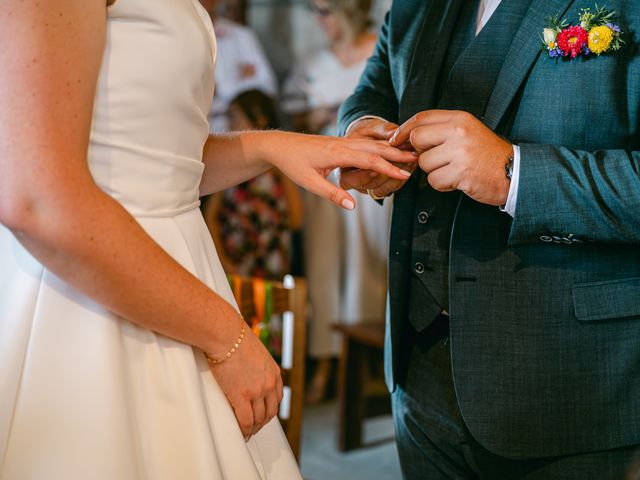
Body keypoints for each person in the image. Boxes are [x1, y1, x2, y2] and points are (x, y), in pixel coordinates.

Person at [0, 1, 414, 478]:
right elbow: (37, 198)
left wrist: (268, 146)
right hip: (89, 295)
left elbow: (149, 160)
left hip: (178, 266)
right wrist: (229, 337)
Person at [339, 0, 640, 478]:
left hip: (573, 388)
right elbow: (373, 89)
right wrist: (360, 130)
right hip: (419, 374)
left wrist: (512, 174)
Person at [283, 0, 393, 403]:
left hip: (368, 175)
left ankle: (368, 361)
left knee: (368, 262)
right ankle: (324, 360)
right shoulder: (313, 62)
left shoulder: (380, 50)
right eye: (314, 11)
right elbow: (291, 118)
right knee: (323, 264)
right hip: (323, 174)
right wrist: (316, 117)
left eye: (326, 10)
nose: (319, 20)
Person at [203, 89, 303, 279]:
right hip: (235, 259)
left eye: (236, 117)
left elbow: (296, 216)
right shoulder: (229, 166)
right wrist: (222, 259)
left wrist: (267, 225)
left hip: (271, 259)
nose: (230, 125)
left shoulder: (278, 167)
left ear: (259, 119)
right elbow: (212, 216)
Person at [199, 0, 278, 132]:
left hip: (241, 129)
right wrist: (237, 84)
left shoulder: (241, 35)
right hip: (194, 130)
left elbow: (266, 85)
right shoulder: (175, 38)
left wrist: (218, 90)